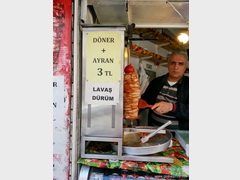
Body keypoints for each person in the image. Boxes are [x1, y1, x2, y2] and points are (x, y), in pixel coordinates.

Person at [141, 50, 189, 130]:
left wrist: (172, 107)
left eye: (180, 64)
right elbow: (145, 101)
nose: (176, 67)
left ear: (185, 66)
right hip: (154, 131)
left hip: (177, 135)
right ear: (168, 64)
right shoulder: (156, 82)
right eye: (172, 63)